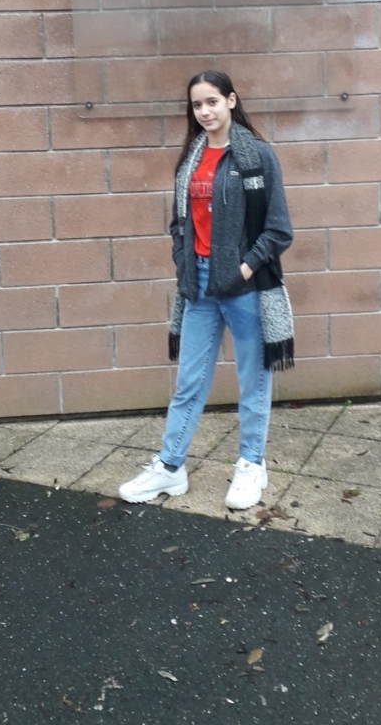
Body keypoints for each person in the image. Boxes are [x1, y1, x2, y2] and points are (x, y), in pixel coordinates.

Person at [119, 70, 294, 510]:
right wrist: (183, 261)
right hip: (197, 286)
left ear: (231, 100)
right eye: (197, 104)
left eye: (212, 101)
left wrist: (244, 269)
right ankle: (170, 467)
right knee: (189, 383)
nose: (204, 111)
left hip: (245, 288)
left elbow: (278, 230)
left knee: (253, 383)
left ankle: (252, 465)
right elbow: (179, 223)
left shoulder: (258, 156)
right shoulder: (191, 159)